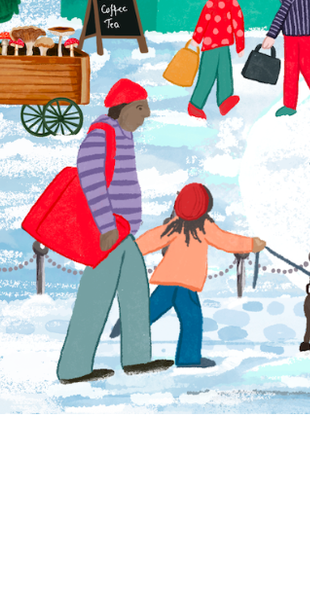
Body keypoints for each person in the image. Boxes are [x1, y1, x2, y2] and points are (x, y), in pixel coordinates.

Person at [55, 79, 173, 383]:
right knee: (94, 297)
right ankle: (73, 368)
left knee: (136, 293)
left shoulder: (123, 134)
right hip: (108, 230)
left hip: (124, 231)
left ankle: (137, 358)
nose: (146, 116)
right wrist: (106, 226)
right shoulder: (101, 135)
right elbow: (91, 181)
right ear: (124, 108)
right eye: (141, 109)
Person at [125, 183, 264, 371]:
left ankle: (128, 325)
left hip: (168, 280)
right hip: (186, 283)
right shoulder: (204, 226)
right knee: (192, 320)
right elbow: (227, 241)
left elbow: (151, 239)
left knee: (148, 313)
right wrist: (252, 244)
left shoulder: (174, 225)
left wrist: (129, 251)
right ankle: (187, 358)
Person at [184, 0, 246, 121]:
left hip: (222, 44)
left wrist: (239, 45)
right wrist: (197, 38)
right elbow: (206, 19)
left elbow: (236, 21)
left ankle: (225, 100)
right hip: (211, 45)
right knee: (207, 75)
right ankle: (195, 105)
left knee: (225, 72)